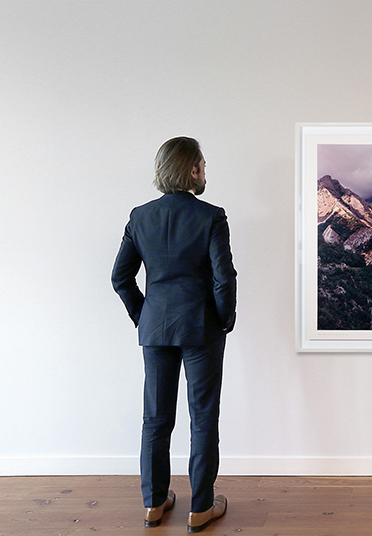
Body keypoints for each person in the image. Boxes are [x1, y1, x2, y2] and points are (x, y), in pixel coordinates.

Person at [112, 137, 237, 533]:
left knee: (155, 417)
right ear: (192, 169)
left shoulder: (140, 216)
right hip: (201, 329)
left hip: (156, 328)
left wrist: (143, 316)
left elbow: (120, 277)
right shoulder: (211, 216)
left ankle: (154, 503)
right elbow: (224, 278)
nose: (206, 171)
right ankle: (200, 507)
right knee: (202, 418)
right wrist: (224, 320)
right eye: (203, 164)